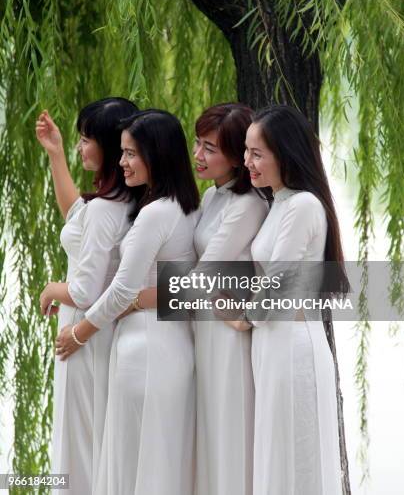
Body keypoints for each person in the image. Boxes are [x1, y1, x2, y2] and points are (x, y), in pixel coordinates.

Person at [55, 109, 200, 495]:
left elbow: (120, 290)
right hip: (169, 344)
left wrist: (80, 332)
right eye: (121, 153)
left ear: (159, 154)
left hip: (145, 351)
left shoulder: (154, 214)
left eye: (131, 154)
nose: (122, 163)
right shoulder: (187, 207)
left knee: (132, 464)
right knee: (156, 463)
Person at [228, 105, 345, 495]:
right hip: (271, 344)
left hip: (294, 347)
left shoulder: (303, 206)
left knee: (298, 457)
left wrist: (241, 317)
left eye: (257, 154)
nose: (246, 162)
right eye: (246, 151)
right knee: (276, 455)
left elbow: (279, 280)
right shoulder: (279, 201)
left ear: (286, 154)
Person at [35, 97, 139, 495]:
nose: (80, 147)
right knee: (90, 435)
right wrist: (56, 154)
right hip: (99, 331)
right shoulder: (120, 203)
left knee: (79, 439)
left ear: (109, 147)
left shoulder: (105, 211)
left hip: (83, 334)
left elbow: (85, 290)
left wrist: (50, 290)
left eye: (84, 140)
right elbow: (75, 218)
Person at [191, 103, 268, 495]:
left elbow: (203, 275)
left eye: (209, 148)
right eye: (197, 144)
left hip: (227, 337)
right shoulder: (211, 198)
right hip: (203, 333)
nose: (198, 155)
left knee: (229, 434)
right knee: (209, 436)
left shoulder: (249, 205)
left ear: (237, 155)